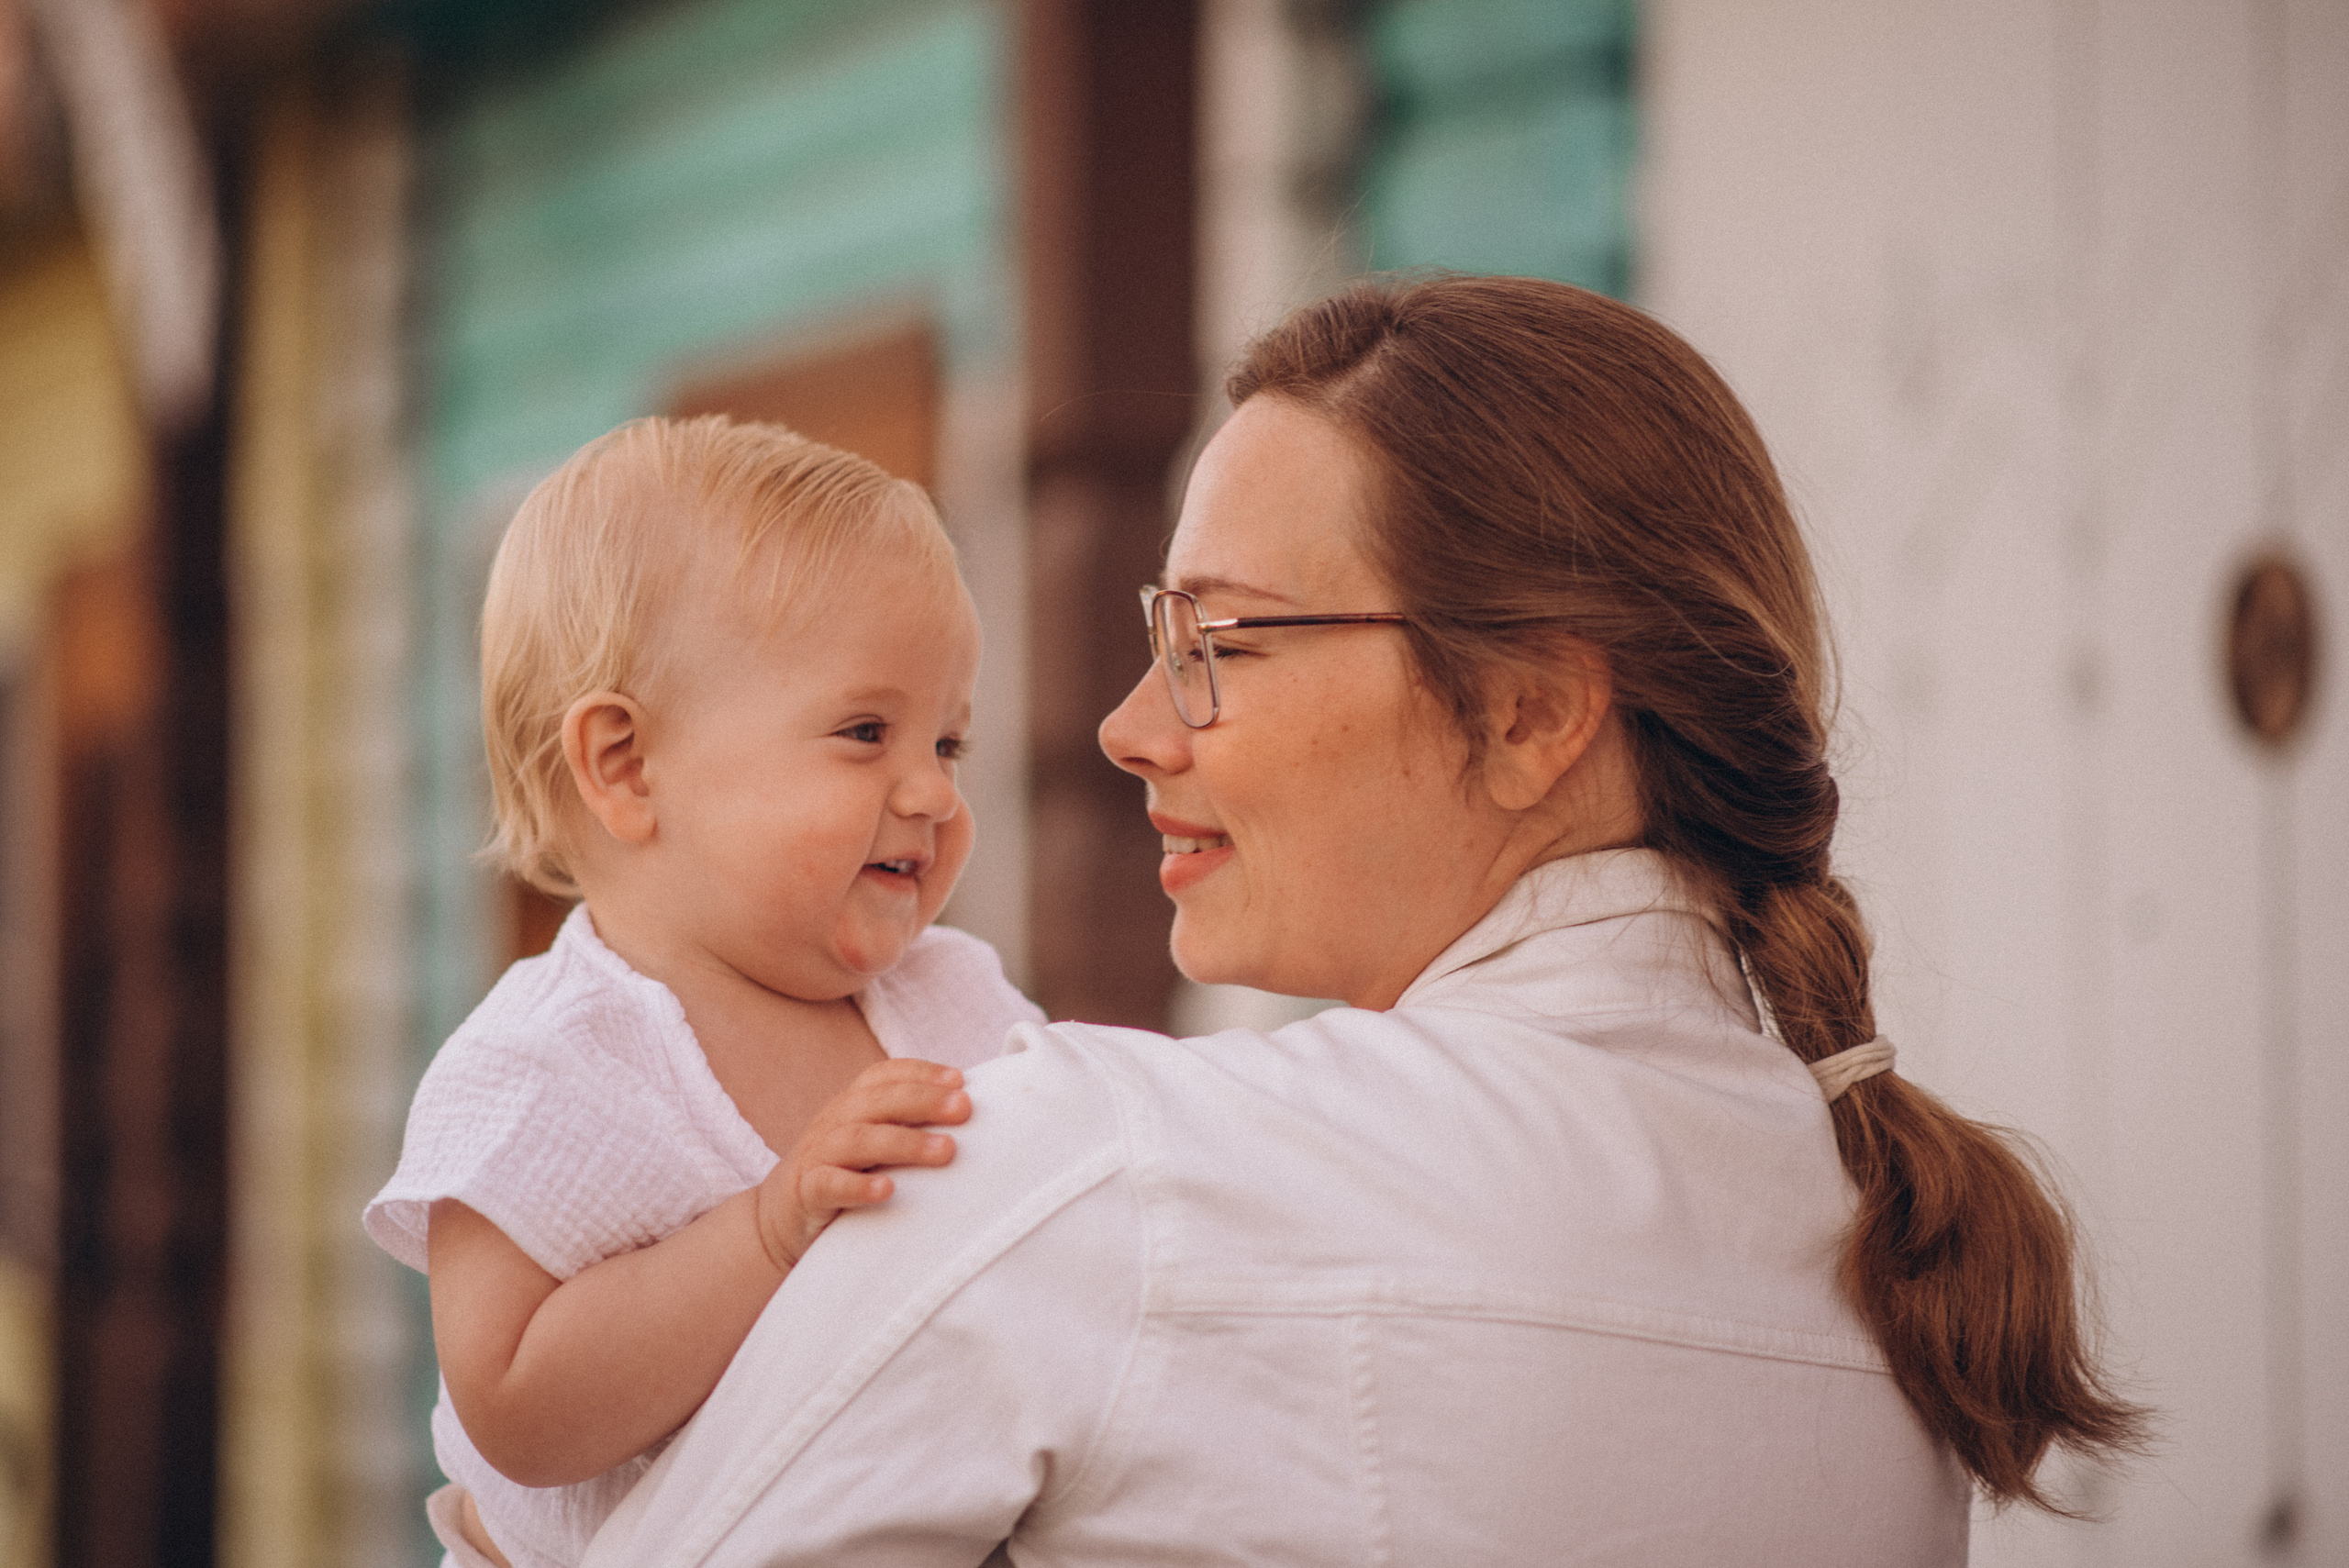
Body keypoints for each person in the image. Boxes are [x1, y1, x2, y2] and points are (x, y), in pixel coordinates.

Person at [579, 278, 2146, 1568]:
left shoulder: (1091, 1179)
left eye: (1219, 640)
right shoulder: (1890, 1279)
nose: (1130, 726)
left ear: (1528, 710)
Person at [363, 417, 1042, 1568]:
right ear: (625, 765)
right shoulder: (548, 1062)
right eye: (866, 731)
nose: (932, 792)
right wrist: (769, 1230)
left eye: (948, 743)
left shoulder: (955, 1002)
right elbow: (516, 1408)